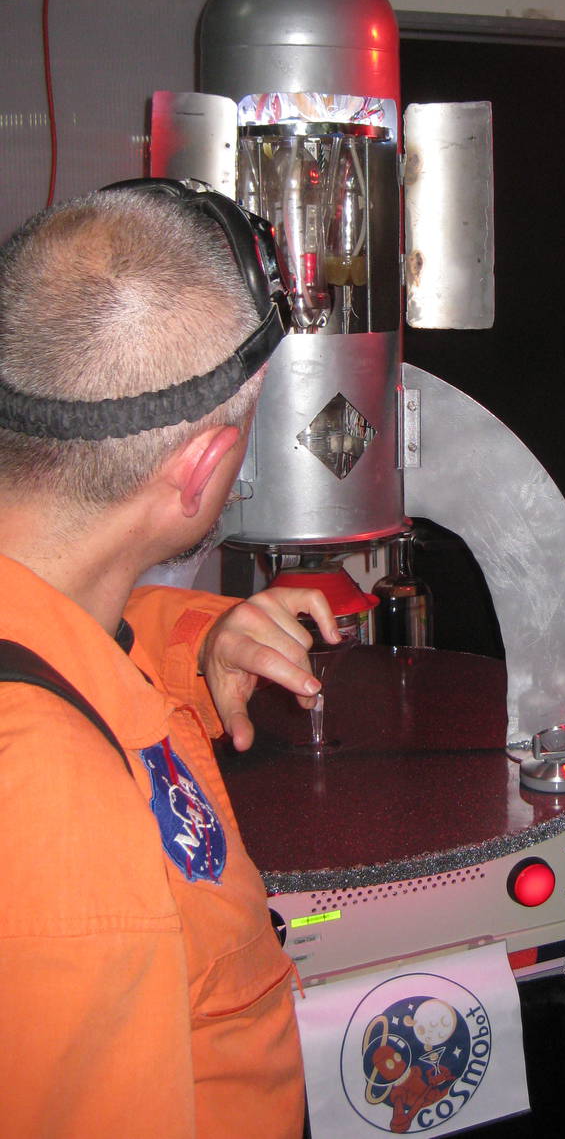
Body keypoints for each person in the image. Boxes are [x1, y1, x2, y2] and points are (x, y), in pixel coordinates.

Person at [0, 184, 343, 1138]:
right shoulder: (55, 817)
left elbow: (72, 645)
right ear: (198, 471)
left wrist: (196, 639)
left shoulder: (52, 617)